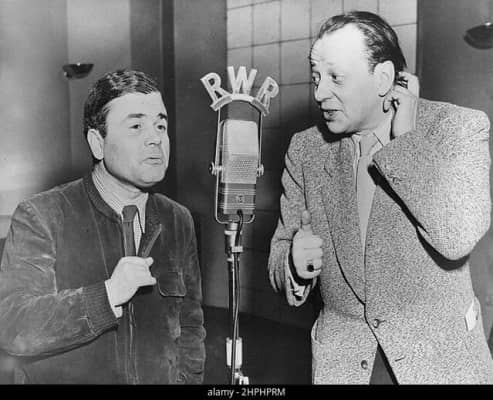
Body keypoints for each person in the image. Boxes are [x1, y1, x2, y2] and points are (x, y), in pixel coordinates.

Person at [268, 11, 493, 384]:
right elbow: (278, 255)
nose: (319, 93)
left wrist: (406, 143)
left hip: (437, 363)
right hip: (345, 367)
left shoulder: (456, 129)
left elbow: (456, 237)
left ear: (384, 78)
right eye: (316, 77)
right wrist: (292, 260)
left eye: (336, 77)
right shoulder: (306, 149)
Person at [0, 69, 206, 384]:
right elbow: (13, 325)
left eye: (161, 125)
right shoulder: (42, 215)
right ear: (98, 143)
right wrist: (108, 295)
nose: (155, 138)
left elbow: (190, 326)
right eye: (136, 126)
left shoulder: (178, 219)